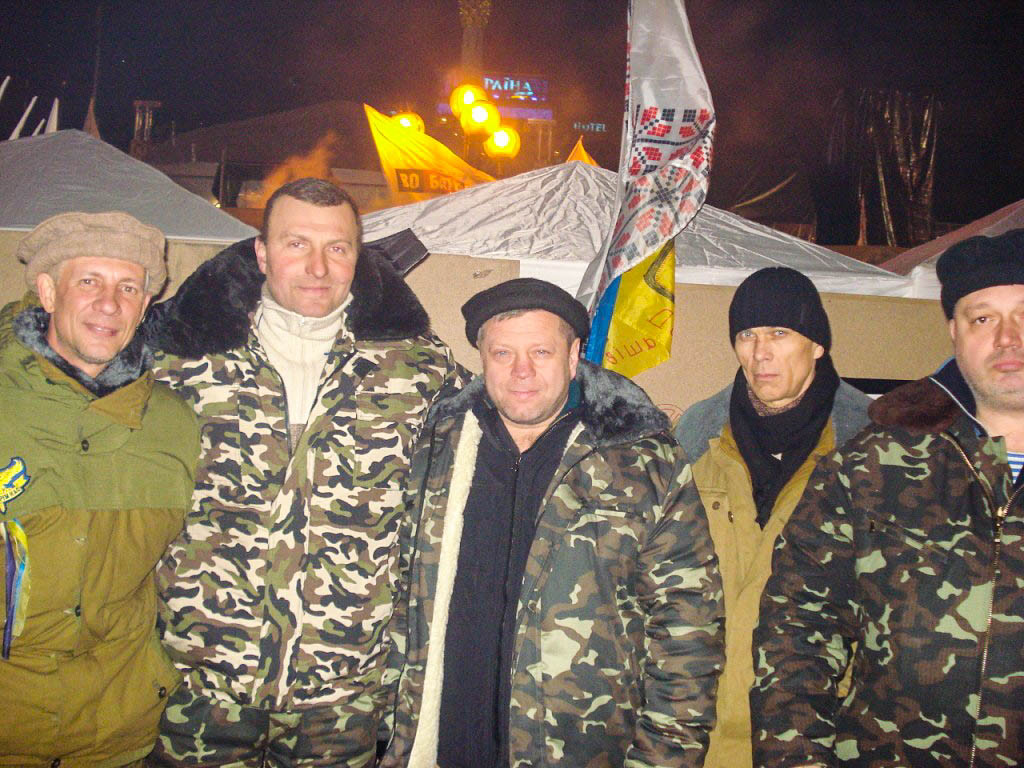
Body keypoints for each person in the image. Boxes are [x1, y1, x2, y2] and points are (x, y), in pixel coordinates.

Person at [144, 177, 465, 767]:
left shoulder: (418, 367)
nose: (318, 267)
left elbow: (507, 437)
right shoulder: (180, 360)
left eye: (337, 248)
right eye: (297, 244)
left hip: (342, 696)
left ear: (358, 257)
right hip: (197, 684)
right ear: (262, 253)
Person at [382, 278, 724, 768]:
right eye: (503, 353)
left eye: (540, 351)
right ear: (482, 358)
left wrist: (665, 758)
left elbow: (689, 626)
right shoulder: (433, 450)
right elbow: (393, 598)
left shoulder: (643, 463)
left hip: (581, 753)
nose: (521, 371)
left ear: (573, 356)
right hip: (440, 750)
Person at [751, 228, 1024, 767]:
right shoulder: (875, 465)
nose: (1007, 338)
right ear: (953, 330)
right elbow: (796, 631)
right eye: (982, 318)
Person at [0, 212, 199, 766]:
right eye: (89, 281)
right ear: (47, 291)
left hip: (115, 736)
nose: (109, 304)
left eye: (128, 288)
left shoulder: (174, 424)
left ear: (145, 305)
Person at [672, 267, 870, 768]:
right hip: (694, 734)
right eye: (747, 335)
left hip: (813, 738)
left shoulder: (870, 451)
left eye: (779, 333)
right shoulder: (694, 440)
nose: (760, 352)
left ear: (817, 344)